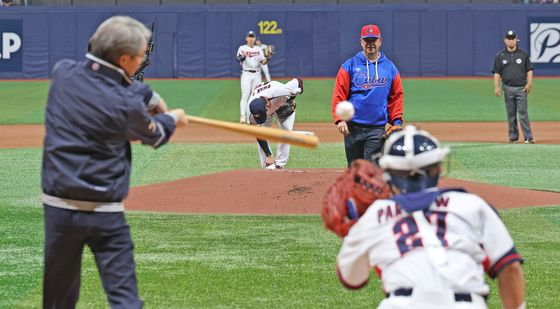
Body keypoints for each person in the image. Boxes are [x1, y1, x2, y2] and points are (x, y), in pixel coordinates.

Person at [41, 16, 187, 308]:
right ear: (123, 58)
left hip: (57, 210)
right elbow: (156, 136)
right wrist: (172, 118)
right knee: (124, 299)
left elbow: (124, 88)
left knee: (58, 299)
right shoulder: (126, 104)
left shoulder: (62, 74)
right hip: (104, 213)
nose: (142, 59)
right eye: (140, 55)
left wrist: (150, 96)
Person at [335, 125, 526, 309]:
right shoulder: (472, 205)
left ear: (387, 173)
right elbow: (510, 268)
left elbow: (352, 278)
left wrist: (354, 233)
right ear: (439, 168)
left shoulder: (376, 213)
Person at [332, 24, 404, 167]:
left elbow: (396, 96)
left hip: (376, 129)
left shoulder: (390, 68)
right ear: (361, 42)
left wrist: (396, 121)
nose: (370, 44)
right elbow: (339, 93)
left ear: (380, 41)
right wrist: (340, 120)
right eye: (367, 40)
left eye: (373, 40)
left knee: (371, 170)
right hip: (352, 129)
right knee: (354, 170)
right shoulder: (350, 65)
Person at [247, 78, 303, 169]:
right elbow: (258, 133)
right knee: (262, 133)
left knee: (286, 132)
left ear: (267, 105)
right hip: (268, 107)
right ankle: (268, 165)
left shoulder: (280, 91)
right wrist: (268, 155)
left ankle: (280, 164)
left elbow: (299, 82)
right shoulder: (250, 112)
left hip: (279, 102)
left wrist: (292, 99)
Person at [493, 30, 535, 144]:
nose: (511, 41)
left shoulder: (523, 54)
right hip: (507, 88)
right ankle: (513, 137)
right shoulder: (500, 56)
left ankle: (528, 137)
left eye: (513, 38)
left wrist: (529, 83)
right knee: (511, 114)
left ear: (517, 39)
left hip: (521, 88)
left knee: (523, 113)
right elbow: (497, 73)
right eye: (508, 38)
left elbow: (529, 70)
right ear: (505, 40)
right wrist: (496, 87)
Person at [237, 30, 268, 124]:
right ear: (246, 38)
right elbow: (238, 58)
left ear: (255, 38)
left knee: (255, 96)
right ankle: (243, 115)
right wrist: (244, 56)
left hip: (257, 75)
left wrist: (268, 58)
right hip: (246, 74)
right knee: (245, 95)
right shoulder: (242, 48)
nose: (251, 38)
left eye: (252, 37)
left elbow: (263, 62)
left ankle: (251, 118)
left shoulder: (258, 49)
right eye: (249, 37)